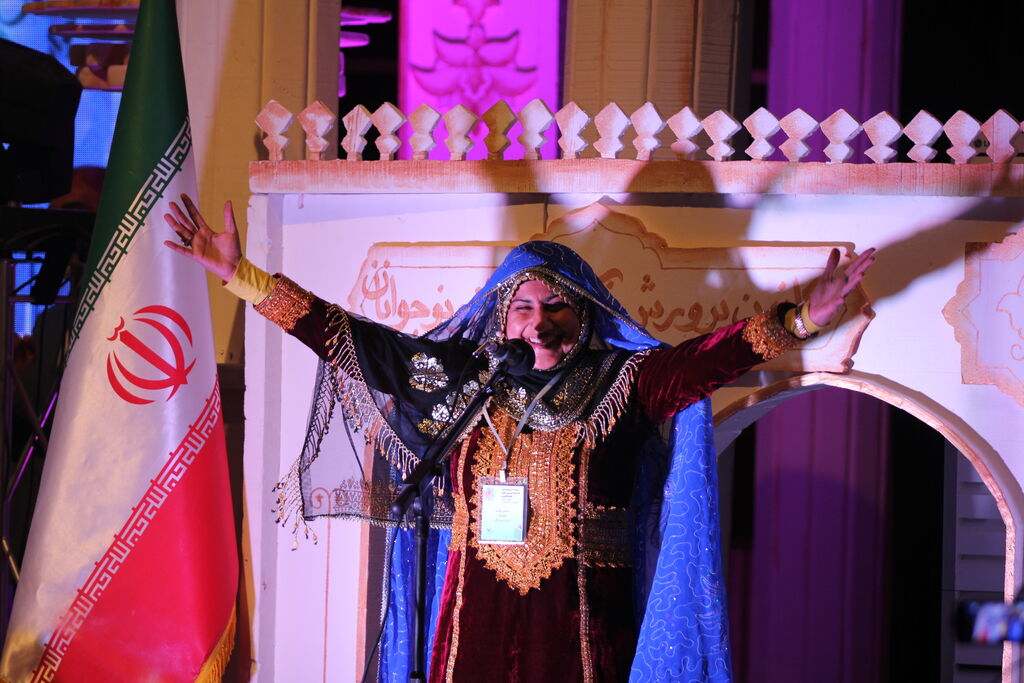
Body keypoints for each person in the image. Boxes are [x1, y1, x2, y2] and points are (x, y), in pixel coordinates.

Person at [164, 196, 875, 683]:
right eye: (524, 305)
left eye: (556, 304)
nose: (539, 320)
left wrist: (802, 320)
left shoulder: (627, 380)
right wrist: (244, 278)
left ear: (585, 313)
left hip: (583, 627)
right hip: (472, 620)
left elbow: (708, 360)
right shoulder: (465, 379)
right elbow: (362, 346)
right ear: (501, 317)